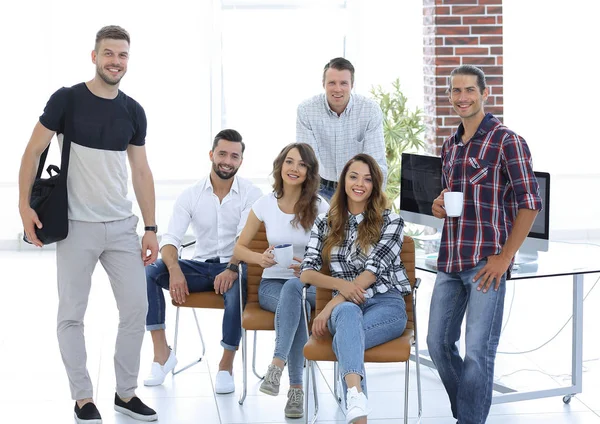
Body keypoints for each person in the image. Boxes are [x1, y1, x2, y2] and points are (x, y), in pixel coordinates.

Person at [18, 26, 158, 423]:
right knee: (72, 314)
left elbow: (141, 170)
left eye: (123, 55)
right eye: (109, 53)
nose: (116, 61)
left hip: (120, 226)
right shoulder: (67, 100)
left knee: (136, 308)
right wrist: (22, 206)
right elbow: (32, 151)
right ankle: (83, 398)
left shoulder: (133, 110)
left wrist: (150, 227)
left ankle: (125, 393)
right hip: (76, 225)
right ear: (93, 56)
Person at [426, 65, 542, 424]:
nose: (462, 97)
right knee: (438, 345)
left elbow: (530, 203)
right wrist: (438, 203)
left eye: (469, 91)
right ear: (449, 97)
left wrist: (505, 257)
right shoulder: (449, 145)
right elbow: (452, 193)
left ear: (484, 94)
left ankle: (468, 420)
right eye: (455, 91)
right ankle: (469, 414)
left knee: (478, 351)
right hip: (451, 259)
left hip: (486, 264)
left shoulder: (508, 140)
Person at [143, 129, 262, 395]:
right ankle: (162, 354)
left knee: (238, 283)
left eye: (234, 156)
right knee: (150, 272)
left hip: (234, 265)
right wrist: (174, 269)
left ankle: (225, 365)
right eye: (222, 153)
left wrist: (231, 268)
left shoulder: (251, 194)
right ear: (211, 154)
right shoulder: (191, 195)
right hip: (198, 267)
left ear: (241, 161)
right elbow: (171, 240)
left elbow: (245, 240)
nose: (227, 161)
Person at [300, 153, 411, 424]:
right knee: (348, 316)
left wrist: (327, 307)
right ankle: (356, 402)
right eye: (353, 176)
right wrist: (340, 287)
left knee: (345, 339)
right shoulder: (324, 223)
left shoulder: (391, 222)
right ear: (343, 181)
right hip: (346, 307)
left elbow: (372, 272)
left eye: (367, 179)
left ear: (375, 186)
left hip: (387, 304)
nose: (359, 184)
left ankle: (353, 399)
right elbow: (306, 272)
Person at [234, 143, 329, 419]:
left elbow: (333, 254)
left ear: (309, 172)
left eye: (302, 164)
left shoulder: (319, 207)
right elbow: (238, 248)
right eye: (290, 162)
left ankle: (276, 366)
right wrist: (258, 259)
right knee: (293, 299)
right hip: (271, 285)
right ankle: (296, 390)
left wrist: (310, 266)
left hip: (309, 286)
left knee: (297, 294)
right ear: (281, 165)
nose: (294, 169)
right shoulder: (265, 203)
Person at [296, 57, 387, 201]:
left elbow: (376, 162)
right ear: (323, 84)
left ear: (352, 84)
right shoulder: (307, 110)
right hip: (320, 188)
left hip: (357, 189)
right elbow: (307, 161)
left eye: (343, 83)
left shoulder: (370, 110)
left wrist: (375, 201)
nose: (337, 89)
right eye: (332, 83)